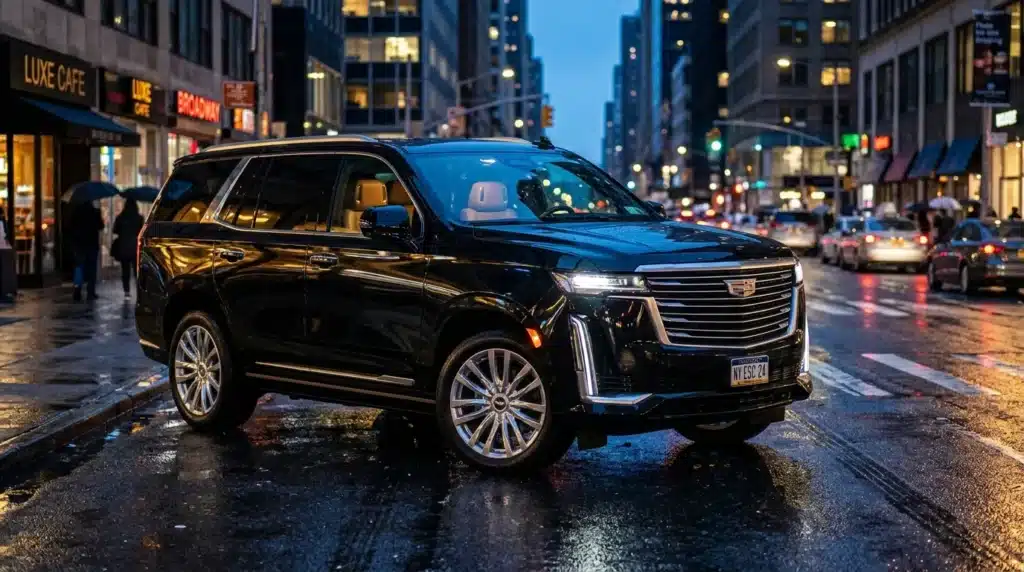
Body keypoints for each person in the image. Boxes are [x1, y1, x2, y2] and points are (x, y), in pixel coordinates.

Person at [69, 200, 104, 301]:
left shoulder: (76, 212)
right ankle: (90, 291)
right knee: (92, 268)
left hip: (79, 245)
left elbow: (71, 226)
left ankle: (77, 291)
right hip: (92, 244)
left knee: (79, 267)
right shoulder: (95, 212)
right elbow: (101, 226)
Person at [113, 198, 144, 296]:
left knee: (125, 270)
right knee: (136, 270)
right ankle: (139, 290)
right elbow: (141, 232)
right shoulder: (139, 218)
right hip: (135, 247)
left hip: (123, 246)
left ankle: (126, 291)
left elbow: (115, 230)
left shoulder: (120, 217)